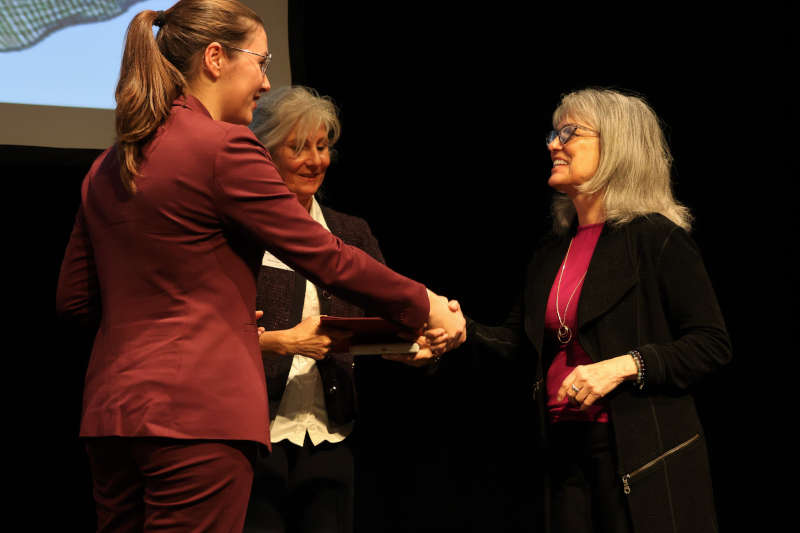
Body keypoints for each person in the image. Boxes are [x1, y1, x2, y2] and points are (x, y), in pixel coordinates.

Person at [55, 2, 464, 531]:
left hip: (112, 419)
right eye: (261, 63)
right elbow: (323, 253)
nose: (267, 84)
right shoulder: (224, 147)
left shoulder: (107, 165)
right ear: (216, 58)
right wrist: (425, 303)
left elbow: (74, 301)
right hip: (198, 415)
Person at [452, 88, 731, 533]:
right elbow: (519, 344)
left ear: (616, 146)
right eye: (553, 132)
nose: (553, 144)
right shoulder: (550, 251)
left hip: (638, 457)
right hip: (563, 457)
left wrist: (621, 366)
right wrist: (458, 329)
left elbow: (711, 344)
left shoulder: (656, 240)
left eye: (570, 133)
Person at [243, 86, 434, 533]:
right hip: (252, 440)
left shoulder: (350, 232)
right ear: (264, 153)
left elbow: (390, 319)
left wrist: (416, 346)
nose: (316, 160)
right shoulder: (238, 234)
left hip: (329, 437)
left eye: (323, 146)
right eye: (298, 147)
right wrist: (278, 343)